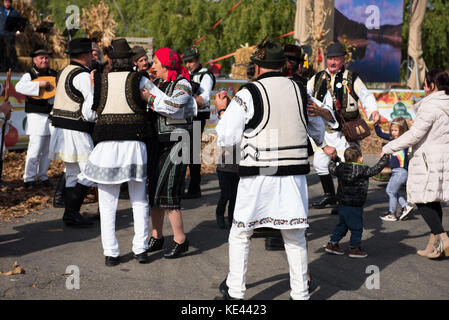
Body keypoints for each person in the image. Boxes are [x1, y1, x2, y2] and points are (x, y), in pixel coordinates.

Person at [214, 39, 330, 300]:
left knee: (242, 233)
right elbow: (318, 132)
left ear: (257, 66)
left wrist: (222, 111)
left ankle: (235, 293)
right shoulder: (302, 92)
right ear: (283, 65)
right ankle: (300, 293)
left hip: (257, 174)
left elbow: (226, 138)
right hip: (294, 175)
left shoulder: (248, 93)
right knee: (295, 235)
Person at [83, 38, 150, 266]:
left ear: (111, 60)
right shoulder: (140, 79)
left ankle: (111, 253)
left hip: (107, 147)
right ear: (131, 60)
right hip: (134, 145)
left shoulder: (100, 82)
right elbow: (159, 102)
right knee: (139, 199)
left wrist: (94, 89)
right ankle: (141, 249)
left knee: (108, 202)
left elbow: (89, 115)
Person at [382, 69, 449, 259]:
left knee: (420, 200)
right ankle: (433, 245)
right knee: (432, 200)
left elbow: (414, 134)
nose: (424, 87)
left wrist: (389, 147)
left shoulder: (431, 105)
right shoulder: (446, 103)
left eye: (426, 84)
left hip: (427, 159)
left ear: (432, 85)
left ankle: (443, 238)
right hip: (442, 157)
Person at [308, 42, 380, 211]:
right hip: (324, 133)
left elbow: (366, 96)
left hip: (345, 132)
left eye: (336, 59)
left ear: (343, 60)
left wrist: (373, 111)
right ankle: (330, 197)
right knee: (319, 163)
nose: (332, 62)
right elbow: (305, 94)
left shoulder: (352, 78)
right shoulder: (317, 78)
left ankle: (343, 200)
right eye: (330, 58)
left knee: (346, 166)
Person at [140, 47, 196, 259]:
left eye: (156, 62)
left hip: (178, 143)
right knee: (154, 189)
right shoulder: (160, 83)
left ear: (166, 64)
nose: (153, 66)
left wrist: (150, 99)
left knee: (169, 190)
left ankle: (180, 239)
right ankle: (157, 236)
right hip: (159, 141)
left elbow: (173, 107)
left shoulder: (183, 83)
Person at [49, 38, 96, 227]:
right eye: (91, 53)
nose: (93, 57)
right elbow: (89, 110)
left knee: (72, 172)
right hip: (76, 129)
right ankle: (71, 212)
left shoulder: (63, 72)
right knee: (90, 171)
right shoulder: (83, 76)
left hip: (61, 127)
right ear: (84, 55)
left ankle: (71, 214)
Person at [325, 146, 389, 258]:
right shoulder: (363, 170)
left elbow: (331, 168)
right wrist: (385, 158)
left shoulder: (340, 168)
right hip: (355, 204)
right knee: (357, 227)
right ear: (360, 159)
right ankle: (354, 248)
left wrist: (333, 160)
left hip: (342, 203)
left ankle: (332, 244)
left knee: (342, 225)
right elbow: (376, 169)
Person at [15, 47, 57, 189]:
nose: (44, 60)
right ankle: (29, 178)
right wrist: (38, 84)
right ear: (35, 60)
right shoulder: (30, 74)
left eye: (46, 58)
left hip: (50, 115)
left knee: (47, 149)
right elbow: (19, 87)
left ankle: (43, 176)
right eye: (41, 58)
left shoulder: (53, 74)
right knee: (35, 148)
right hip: (36, 116)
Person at [182, 45, 216, 199]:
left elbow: (204, 98)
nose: (189, 64)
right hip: (184, 116)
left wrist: (184, 99)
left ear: (198, 60)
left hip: (198, 116)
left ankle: (195, 187)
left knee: (193, 152)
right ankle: (183, 186)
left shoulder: (206, 75)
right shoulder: (184, 74)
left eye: (191, 61)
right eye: (186, 62)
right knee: (183, 152)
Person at [374, 117, 414, 221]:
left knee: (391, 191)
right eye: (392, 130)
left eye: (396, 130)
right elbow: (380, 134)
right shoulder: (392, 139)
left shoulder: (404, 141)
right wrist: (375, 124)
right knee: (392, 191)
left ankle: (393, 213)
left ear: (402, 130)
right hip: (396, 171)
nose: (393, 132)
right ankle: (405, 206)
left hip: (401, 171)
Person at [0, 0, 22, 71]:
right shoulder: (0, 11)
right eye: (5, 2)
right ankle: (2, 67)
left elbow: (21, 24)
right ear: (3, 2)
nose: (7, 4)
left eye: (8, 2)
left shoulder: (15, 13)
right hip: (0, 34)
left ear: (11, 3)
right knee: (1, 51)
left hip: (10, 35)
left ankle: (15, 67)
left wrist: (18, 32)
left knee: (11, 51)